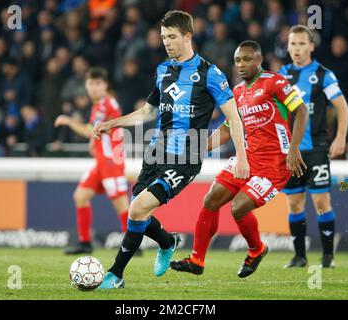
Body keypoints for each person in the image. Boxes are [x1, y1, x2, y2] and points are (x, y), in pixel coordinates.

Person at [92, 10, 248, 289]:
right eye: (164, 37)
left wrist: (242, 158)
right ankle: (167, 241)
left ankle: (115, 274)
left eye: (172, 37)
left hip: (186, 158)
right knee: (136, 211)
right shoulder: (163, 70)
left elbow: (233, 118)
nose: (166, 42)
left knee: (138, 208)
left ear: (188, 36)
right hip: (156, 152)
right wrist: (114, 123)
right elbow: (148, 111)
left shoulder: (210, 73)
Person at [170, 40, 308, 278]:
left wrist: (294, 148)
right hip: (246, 159)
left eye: (247, 59)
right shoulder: (236, 93)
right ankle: (196, 260)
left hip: (274, 165)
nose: (241, 65)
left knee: (238, 207)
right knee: (211, 199)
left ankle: (256, 250)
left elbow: (301, 111)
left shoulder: (275, 82)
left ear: (259, 60)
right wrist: (199, 148)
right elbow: (227, 129)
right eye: (237, 60)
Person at [279, 25, 348, 268]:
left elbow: (342, 107)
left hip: (317, 149)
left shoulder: (322, 74)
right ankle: (300, 256)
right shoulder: (282, 74)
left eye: (301, 44)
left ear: (311, 46)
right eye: (293, 44)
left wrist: (340, 138)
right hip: (291, 151)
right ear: (287, 47)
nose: (297, 49)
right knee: (294, 202)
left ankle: (328, 256)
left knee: (321, 202)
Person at [55, 67, 131, 254]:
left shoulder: (104, 105)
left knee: (121, 203)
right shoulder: (103, 104)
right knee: (80, 196)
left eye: (98, 83)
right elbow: (98, 133)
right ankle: (85, 242)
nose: (93, 88)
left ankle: (132, 244)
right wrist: (93, 142)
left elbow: (91, 130)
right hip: (102, 161)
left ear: (105, 85)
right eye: (90, 83)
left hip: (111, 162)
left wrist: (69, 121)